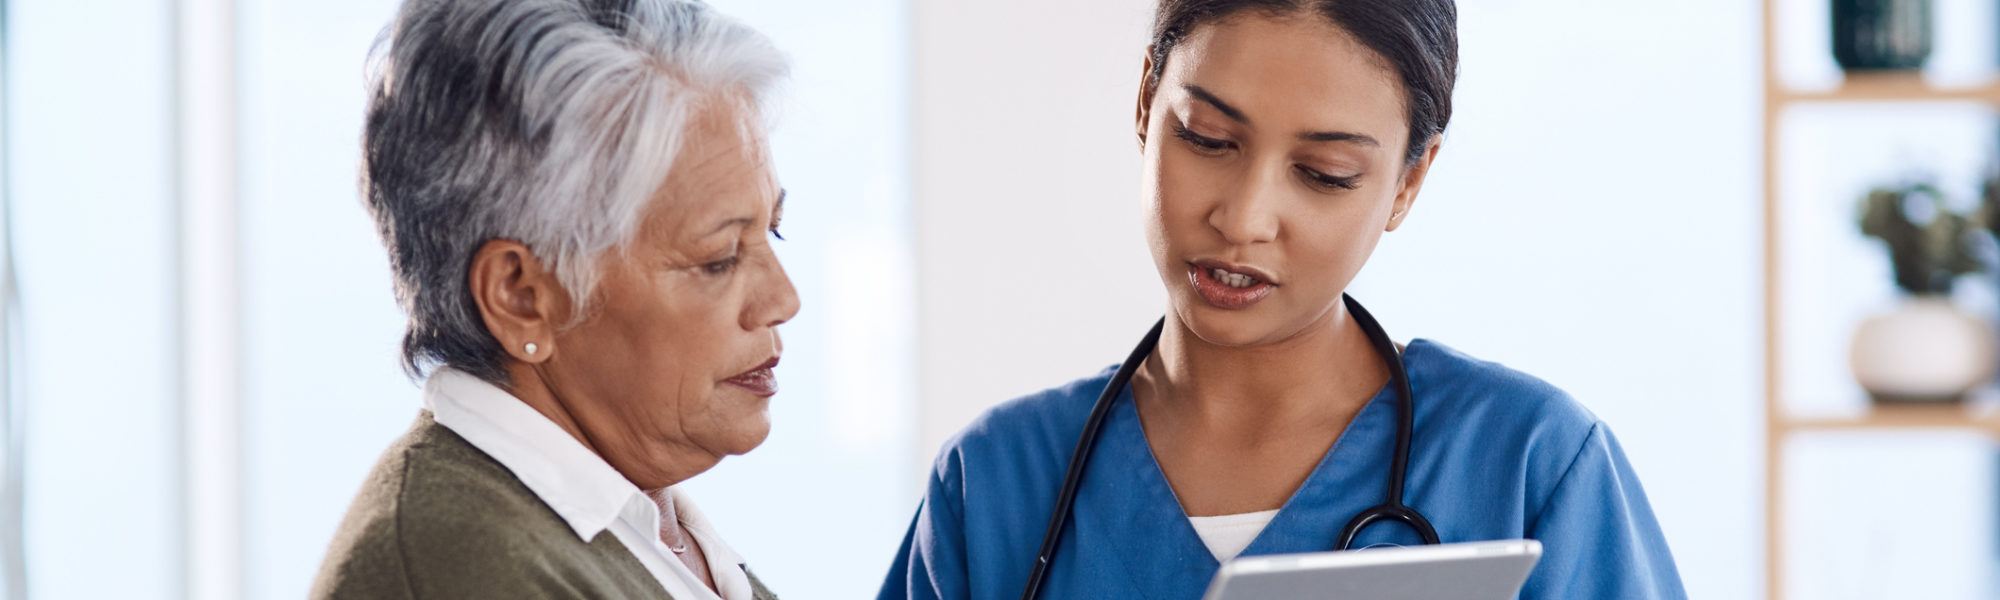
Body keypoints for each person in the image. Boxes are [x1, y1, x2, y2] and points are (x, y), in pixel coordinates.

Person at [879, 1, 1686, 598]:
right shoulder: (994, 484)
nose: (1244, 218)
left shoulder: (1527, 467)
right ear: (1144, 104)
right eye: (1206, 137)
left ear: (1409, 182)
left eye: (1324, 173)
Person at [312, 1, 797, 598]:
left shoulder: (633, 524)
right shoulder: (467, 571)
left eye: (771, 231)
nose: (783, 299)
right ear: (520, 297)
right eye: (717, 257)